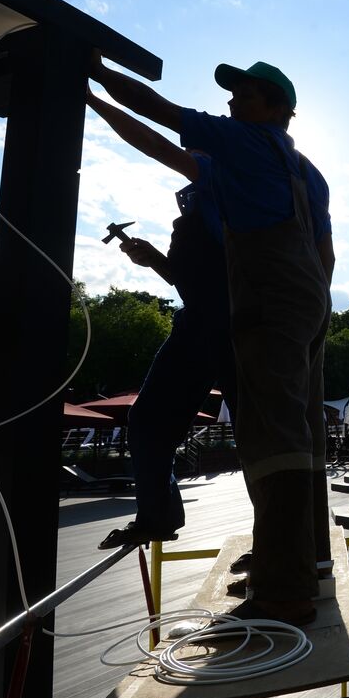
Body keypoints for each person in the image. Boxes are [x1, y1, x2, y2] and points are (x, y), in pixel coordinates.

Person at [90, 54, 334, 626]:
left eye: (246, 96)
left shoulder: (245, 144)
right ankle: (303, 558)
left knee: (273, 441)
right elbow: (325, 251)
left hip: (265, 305)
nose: (231, 102)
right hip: (307, 303)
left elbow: (157, 120)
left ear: (279, 111)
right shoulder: (305, 172)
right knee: (298, 437)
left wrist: (95, 79)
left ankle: (285, 591)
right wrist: (312, 305)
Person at [87, 91, 238, 550]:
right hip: (199, 325)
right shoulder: (189, 219)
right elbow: (193, 283)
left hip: (237, 327)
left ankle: (278, 541)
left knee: (256, 435)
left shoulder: (227, 193)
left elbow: (154, 142)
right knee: (147, 420)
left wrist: (93, 97)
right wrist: (153, 259)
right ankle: (157, 514)